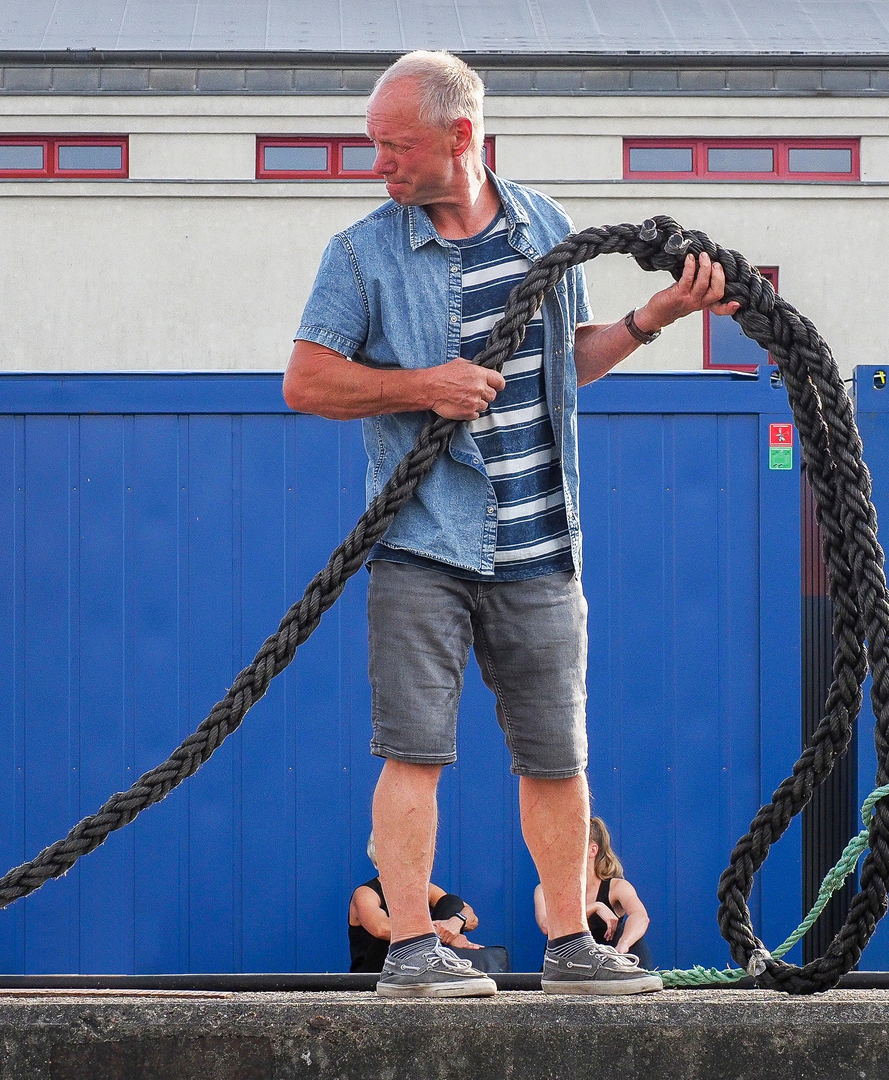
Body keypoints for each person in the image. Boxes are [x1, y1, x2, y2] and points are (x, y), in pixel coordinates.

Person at [284, 49, 736, 998]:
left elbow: (568, 362)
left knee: (558, 758)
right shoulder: (362, 254)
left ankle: (571, 945)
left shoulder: (546, 229)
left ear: (461, 138)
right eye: (373, 146)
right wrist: (423, 386)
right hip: (423, 544)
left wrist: (650, 317)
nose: (379, 164)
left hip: (542, 550)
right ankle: (413, 951)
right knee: (413, 751)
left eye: (393, 145)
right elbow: (306, 382)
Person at [348, 833, 506, 974]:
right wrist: (443, 933)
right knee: (398, 927)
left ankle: (444, 967)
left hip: (420, 964)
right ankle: (443, 959)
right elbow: (381, 928)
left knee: (451, 901)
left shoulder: (424, 889)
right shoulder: (366, 893)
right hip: (376, 971)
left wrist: (455, 923)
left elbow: (470, 915)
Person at [535, 816, 653, 969]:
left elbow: (640, 916)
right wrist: (595, 907)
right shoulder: (545, 889)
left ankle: (631, 972)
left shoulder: (617, 887)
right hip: (571, 966)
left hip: (612, 961)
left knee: (627, 931)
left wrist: (623, 945)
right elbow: (547, 926)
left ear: (592, 850)